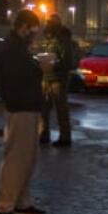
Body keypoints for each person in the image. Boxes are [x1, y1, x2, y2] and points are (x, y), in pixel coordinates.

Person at [0, 9, 46, 214]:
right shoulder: (13, 49)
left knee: (27, 158)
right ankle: (4, 206)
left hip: (27, 106)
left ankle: (21, 202)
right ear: (23, 27)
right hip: (20, 107)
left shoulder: (17, 47)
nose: (34, 35)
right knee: (16, 158)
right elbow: (18, 78)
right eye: (33, 30)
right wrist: (39, 69)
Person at [39, 14, 73, 147]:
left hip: (58, 80)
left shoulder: (62, 40)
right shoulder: (51, 39)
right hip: (47, 78)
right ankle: (43, 135)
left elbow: (67, 62)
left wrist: (53, 63)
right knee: (44, 110)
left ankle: (65, 138)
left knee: (61, 110)